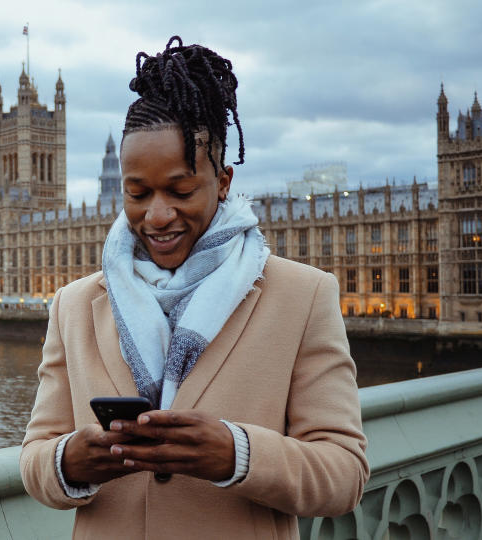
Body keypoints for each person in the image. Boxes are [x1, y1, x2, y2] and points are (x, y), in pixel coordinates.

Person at [20, 37, 369, 539]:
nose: (157, 215)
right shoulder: (75, 305)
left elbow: (344, 475)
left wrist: (236, 453)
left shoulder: (303, 295)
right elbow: (35, 460)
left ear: (224, 181)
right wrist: (69, 461)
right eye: (137, 193)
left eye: (181, 191)